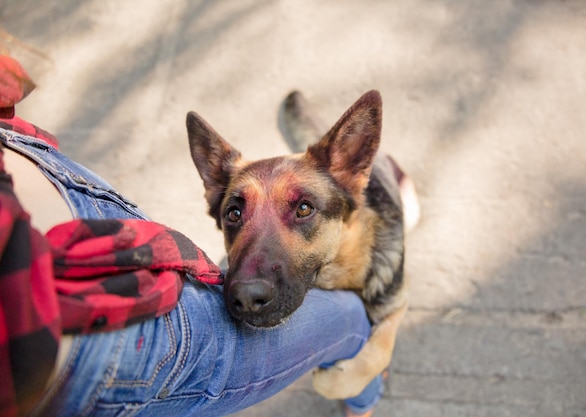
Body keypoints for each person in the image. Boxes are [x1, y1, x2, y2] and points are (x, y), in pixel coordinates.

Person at [0, 55, 383, 417]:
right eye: (236, 212)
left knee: (356, 314)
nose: (247, 287)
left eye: (301, 211)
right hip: (91, 345)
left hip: (55, 194)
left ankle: (363, 398)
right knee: (351, 316)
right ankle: (364, 400)